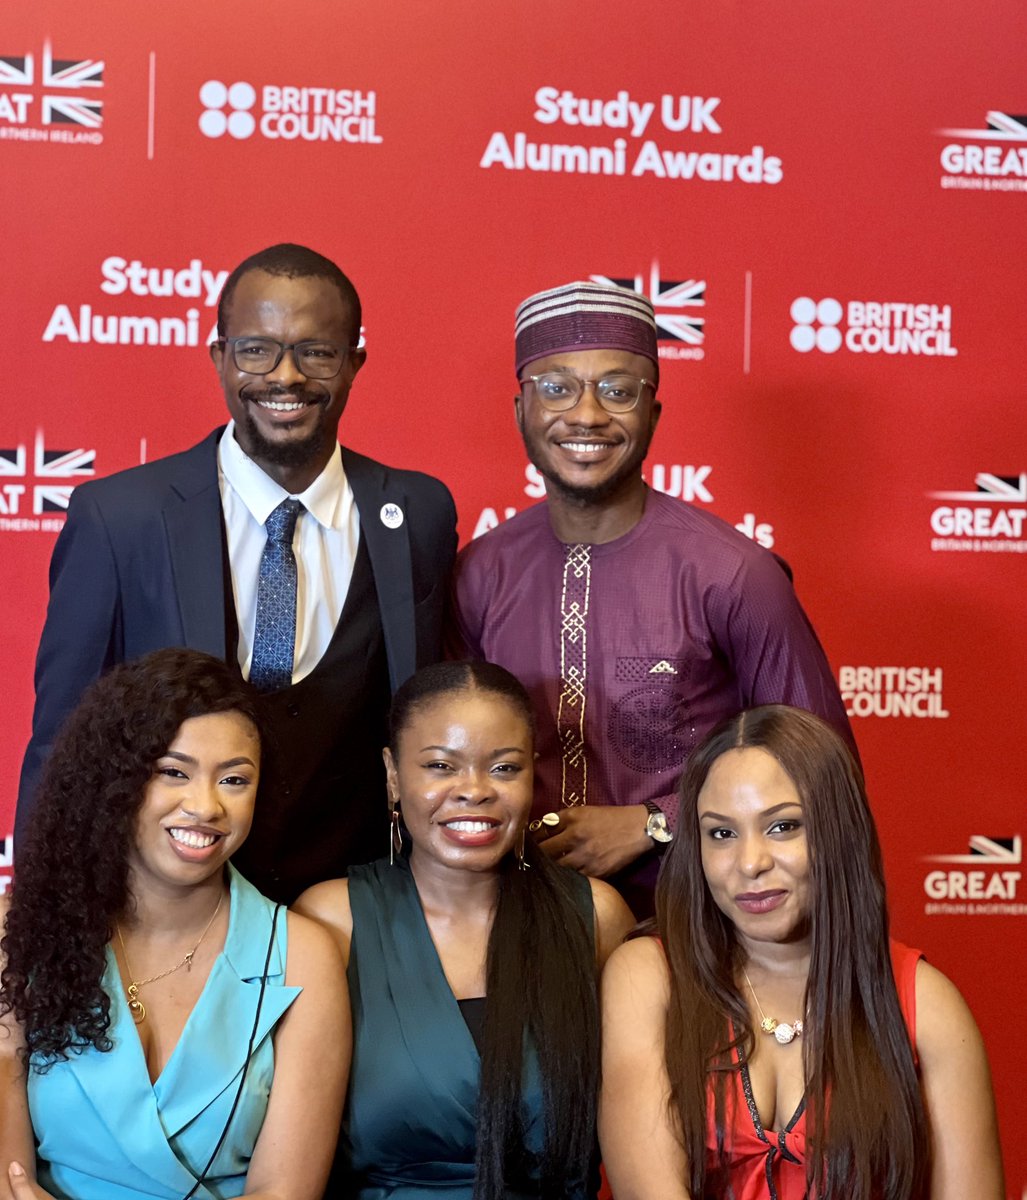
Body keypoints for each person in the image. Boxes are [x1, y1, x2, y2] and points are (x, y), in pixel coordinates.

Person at [17, 242, 457, 903]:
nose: (286, 376)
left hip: (357, 909)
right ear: (220, 357)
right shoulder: (120, 517)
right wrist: (42, 924)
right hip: (164, 909)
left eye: (317, 351)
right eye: (257, 350)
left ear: (354, 362)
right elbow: (62, 747)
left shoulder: (417, 512)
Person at [448, 280, 852, 914]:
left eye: (618, 390)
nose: (586, 415)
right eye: (556, 388)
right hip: (517, 919)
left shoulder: (732, 572)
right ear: (520, 410)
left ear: (653, 415)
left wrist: (653, 822)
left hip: (697, 921)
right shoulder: (478, 574)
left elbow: (820, 765)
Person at [599, 705, 1004, 1200]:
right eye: (721, 833)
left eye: (782, 826)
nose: (749, 863)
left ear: (838, 830)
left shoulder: (926, 1005)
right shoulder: (648, 977)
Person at [0, 647, 350, 1200]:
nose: (205, 806)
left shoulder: (303, 955)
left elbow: (284, 1193)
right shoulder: (21, 935)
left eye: (234, 780)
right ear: (115, 780)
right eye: (173, 772)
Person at [294, 660, 635, 1199]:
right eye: (440, 766)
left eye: (503, 768)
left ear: (532, 774)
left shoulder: (595, 918)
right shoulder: (332, 922)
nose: (474, 791)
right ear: (392, 775)